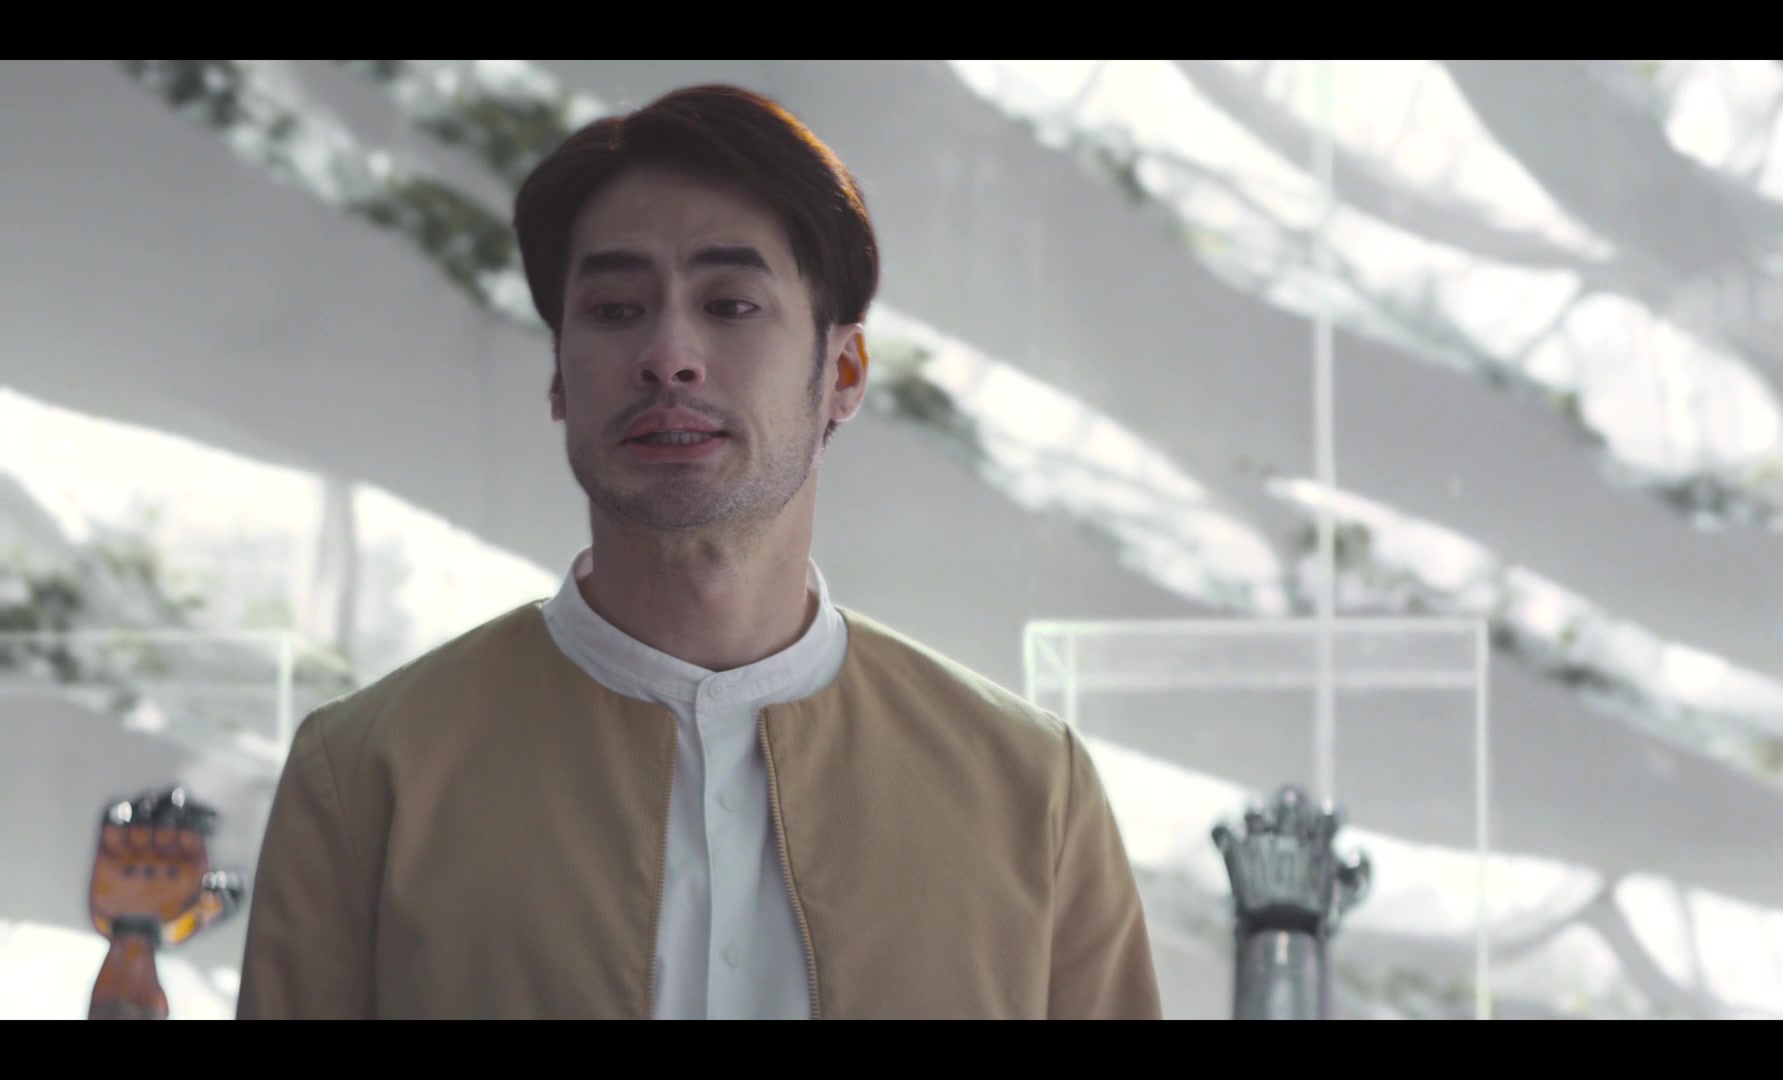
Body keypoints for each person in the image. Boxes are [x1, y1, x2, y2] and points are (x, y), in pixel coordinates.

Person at [234, 84, 1160, 1020]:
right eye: (614, 309)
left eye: (730, 304)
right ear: (558, 377)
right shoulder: (366, 776)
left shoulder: (1030, 787)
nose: (668, 354)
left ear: (842, 373)